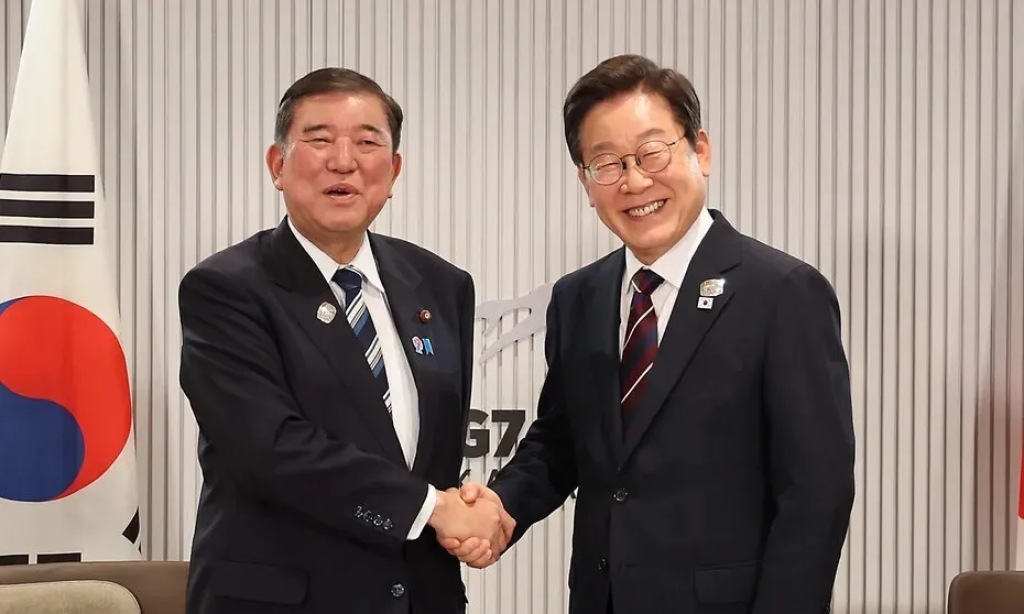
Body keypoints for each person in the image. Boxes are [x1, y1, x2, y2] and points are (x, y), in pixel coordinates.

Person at [443, 54, 856, 614]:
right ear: (585, 181)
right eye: (606, 163)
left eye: (652, 152)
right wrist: (502, 506)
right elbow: (562, 441)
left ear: (700, 150)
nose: (635, 180)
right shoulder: (578, 297)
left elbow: (817, 492)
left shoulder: (782, 293)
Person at [178, 67, 512, 614]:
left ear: (393, 169)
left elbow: (431, 454)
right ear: (277, 165)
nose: (343, 160)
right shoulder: (226, 289)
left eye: (367, 142)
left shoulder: (441, 284)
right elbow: (269, 449)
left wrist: (466, 515)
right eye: (319, 139)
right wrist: (432, 508)